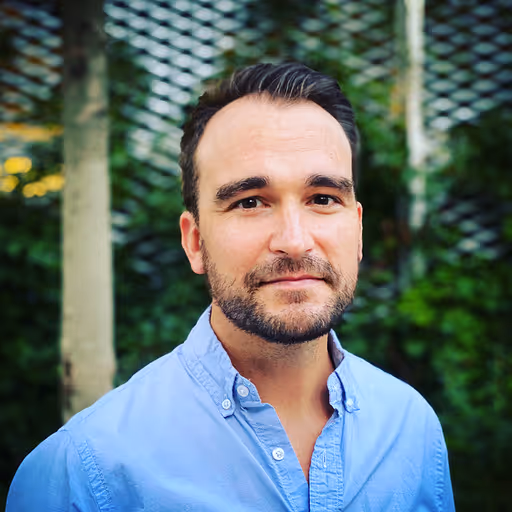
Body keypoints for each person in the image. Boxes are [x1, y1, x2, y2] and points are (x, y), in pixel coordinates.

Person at [7, 63, 455, 511]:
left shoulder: (410, 428)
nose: (294, 240)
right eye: (250, 202)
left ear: (356, 231)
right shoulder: (83, 473)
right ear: (195, 242)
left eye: (323, 198)